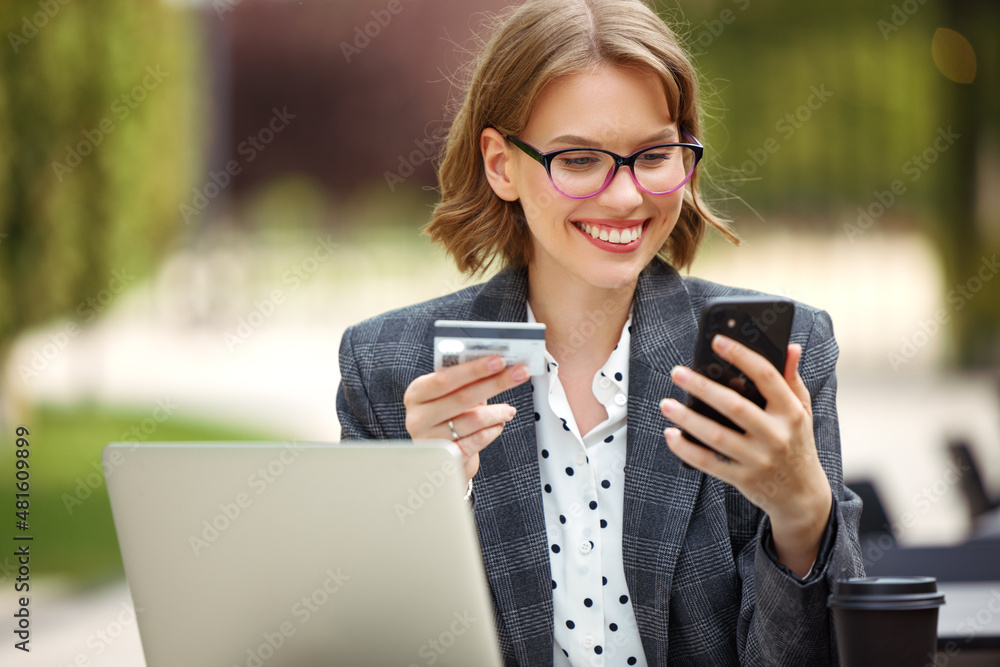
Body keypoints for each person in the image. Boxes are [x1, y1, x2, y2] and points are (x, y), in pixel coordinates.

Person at [337, 0, 864, 664]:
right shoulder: (389, 369)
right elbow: (359, 643)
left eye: (654, 155)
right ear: (502, 165)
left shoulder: (771, 355)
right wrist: (414, 511)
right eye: (580, 160)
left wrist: (802, 511)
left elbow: (820, 654)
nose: (624, 197)